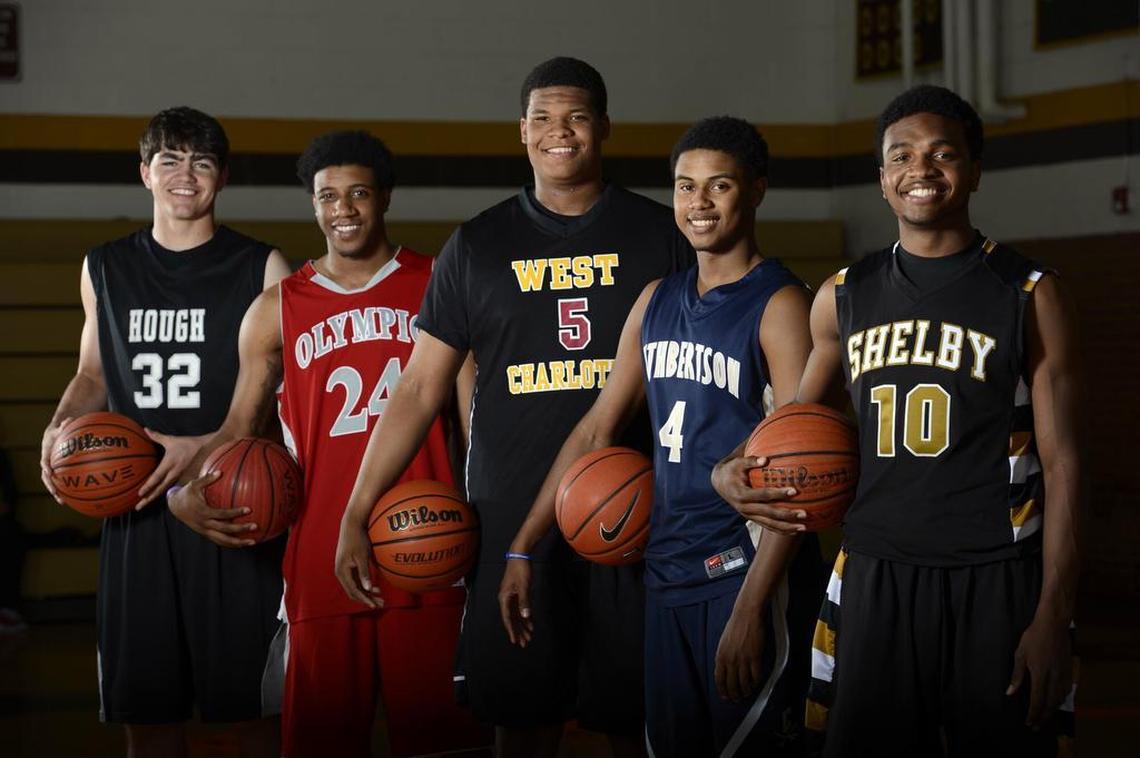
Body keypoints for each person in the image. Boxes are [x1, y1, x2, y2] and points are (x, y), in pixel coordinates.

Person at [334, 57, 694, 757]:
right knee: (521, 722)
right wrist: (356, 508)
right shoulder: (476, 244)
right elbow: (416, 388)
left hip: (639, 511)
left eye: (578, 118)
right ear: (521, 131)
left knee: (639, 724)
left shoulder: (665, 235)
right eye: (543, 119)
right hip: (509, 520)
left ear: (605, 130)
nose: (560, 133)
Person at [713, 85, 1082, 757]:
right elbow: (790, 429)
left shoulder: (1027, 290)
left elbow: (1063, 463)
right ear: (882, 179)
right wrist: (725, 470)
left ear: (973, 169)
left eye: (942, 154)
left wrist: (1053, 610)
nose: (922, 169)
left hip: (997, 574)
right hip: (876, 571)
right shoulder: (843, 296)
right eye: (902, 156)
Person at [498, 116, 821, 757]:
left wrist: (753, 607)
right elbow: (595, 428)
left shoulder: (780, 305)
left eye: (718, 185)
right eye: (684, 186)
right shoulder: (656, 299)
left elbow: (801, 466)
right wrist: (524, 545)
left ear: (755, 190)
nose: (698, 203)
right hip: (666, 573)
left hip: (743, 575)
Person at [166, 130, 489, 757]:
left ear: (385, 197)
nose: (343, 209)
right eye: (327, 196)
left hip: (429, 544)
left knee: (441, 743)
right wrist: (184, 493)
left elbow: (476, 428)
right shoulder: (274, 309)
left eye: (358, 193)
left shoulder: (441, 284)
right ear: (313, 204)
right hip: (319, 557)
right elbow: (239, 429)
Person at [38, 107, 292, 758]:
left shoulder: (263, 267)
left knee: (259, 715)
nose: (186, 175)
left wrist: (208, 449)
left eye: (202, 162)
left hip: (235, 506)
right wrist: (63, 421)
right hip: (136, 509)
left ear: (222, 177)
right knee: (148, 716)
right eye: (171, 160)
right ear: (145, 171)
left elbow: (277, 397)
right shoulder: (105, 267)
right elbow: (93, 372)